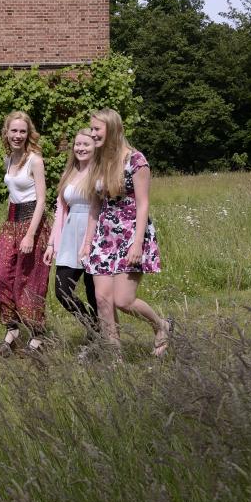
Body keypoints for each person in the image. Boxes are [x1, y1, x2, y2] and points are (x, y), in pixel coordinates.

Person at [79, 108, 172, 356]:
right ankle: (114, 358)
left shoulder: (136, 160)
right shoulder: (98, 161)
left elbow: (143, 204)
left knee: (123, 300)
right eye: (92, 129)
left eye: (97, 129)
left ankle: (161, 326)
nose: (93, 133)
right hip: (104, 237)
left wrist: (137, 244)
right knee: (102, 300)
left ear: (112, 129)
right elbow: (95, 205)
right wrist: (87, 242)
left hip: (131, 234)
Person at [0, 110, 52, 356]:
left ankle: (37, 335)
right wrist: (9, 226)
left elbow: (41, 200)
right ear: (6, 132)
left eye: (22, 131)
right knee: (0, 275)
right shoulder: (9, 159)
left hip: (32, 225)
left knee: (29, 281)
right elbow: (12, 195)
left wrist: (30, 234)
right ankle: (13, 327)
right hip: (11, 223)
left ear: (28, 134)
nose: (17, 135)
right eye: (13, 130)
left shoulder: (34, 159)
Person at [43, 128, 98, 334]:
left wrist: (91, 241)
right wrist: (51, 243)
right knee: (62, 290)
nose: (80, 148)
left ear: (95, 147)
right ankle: (91, 326)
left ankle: (98, 339)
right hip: (70, 237)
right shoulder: (70, 172)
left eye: (86, 144)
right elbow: (60, 211)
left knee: (93, 292)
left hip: (94, 235)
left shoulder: (100, 172)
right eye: (77, 144)